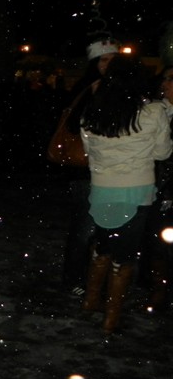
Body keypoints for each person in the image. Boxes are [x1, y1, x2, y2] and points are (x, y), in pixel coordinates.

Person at [80, 54, 172, 334]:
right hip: (136, 190)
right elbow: (163, 152)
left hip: (102, 189)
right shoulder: (152, 113)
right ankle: (111, 318)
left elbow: (89, 153)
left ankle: (90, 300)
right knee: (126, 256)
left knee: (103, 245)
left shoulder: (92, 113)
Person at [58, 38, 120, 297]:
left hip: (110, 170)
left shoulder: (119, 88)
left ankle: (94, 279)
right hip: (86, 171)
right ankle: (74, 279)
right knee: (84, 230)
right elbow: (75, 125)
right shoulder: (88, 87)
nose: (107, 65)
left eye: (112, 60)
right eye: (103, 60)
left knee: (104, 230)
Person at [140, 65, 173, 310]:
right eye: (164, 80)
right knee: (160, 237)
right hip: (162, 185)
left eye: (169, 80)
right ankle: (158, 288)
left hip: (167, 182)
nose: (164, 85)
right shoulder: (158, 110)